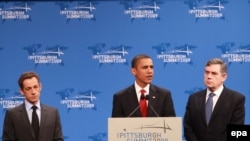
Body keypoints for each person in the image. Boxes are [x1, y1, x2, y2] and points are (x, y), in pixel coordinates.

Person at [184, 58, 245, 141]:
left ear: (224, 77)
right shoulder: (193, 99)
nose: (209, 76)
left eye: (214, 73)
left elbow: (236, 131)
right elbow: (188, 128)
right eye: (206, 72)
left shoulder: (236, 99)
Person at [2, 71, 64, 141]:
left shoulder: (53, 113)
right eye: (28, 89)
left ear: (40, 87)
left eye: (35, 87)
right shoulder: (12, 114)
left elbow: (58, 139)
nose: (33, 92)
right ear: (22, 91)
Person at [112, 54, 176, 117]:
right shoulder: (121, 97)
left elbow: (171, 123)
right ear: (134, 71)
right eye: (145, 67)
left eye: (151, 67)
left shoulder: (164, 95)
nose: (150, 71)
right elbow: (116, 125)